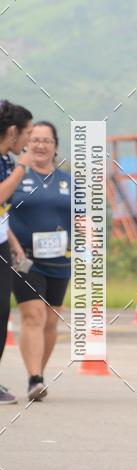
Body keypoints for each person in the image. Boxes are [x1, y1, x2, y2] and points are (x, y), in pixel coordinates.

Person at [9, 120, 71, 402]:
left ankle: (39, 375)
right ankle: (35, 377)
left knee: (51, 316)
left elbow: (81, 216)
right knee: (33, 313)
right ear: (26, 144)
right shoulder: (16, 176)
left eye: (46, 140)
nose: (40, 145)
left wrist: (87, 232)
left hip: (60, 259)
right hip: (24, 258)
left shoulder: (68, 181)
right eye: (34, 139)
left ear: (55, 146)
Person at [0, 101, 33, 405]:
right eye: (28, 133)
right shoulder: (11, 163)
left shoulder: (6, 159)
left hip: (1, 243)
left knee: (2, 312)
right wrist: (23, 166)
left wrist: (12, 242)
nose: (30, 141)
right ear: (12, 131)